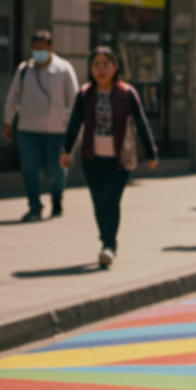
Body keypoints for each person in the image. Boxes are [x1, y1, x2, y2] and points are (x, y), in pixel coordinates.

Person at [59, 47, 159, 268]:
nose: (101, 68)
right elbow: (75, 124)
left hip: (119, 160)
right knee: (98, 203)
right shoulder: (85, 94)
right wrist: (66, 151)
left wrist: (151, 152)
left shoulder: (127, 93)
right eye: (96, 64)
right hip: (91, 158)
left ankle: (109, 246)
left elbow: (142, 123)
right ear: (90, 68)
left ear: (115, 67)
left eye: (106, 64)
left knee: (110, 201)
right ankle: (106, 241)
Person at [2, 28, 79, 222]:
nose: (38, 52)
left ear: (51, 48)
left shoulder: (63, 69)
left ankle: (56, 199)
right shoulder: (24, 70)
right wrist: (7, 121)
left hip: (56, 130)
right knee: (30, 170)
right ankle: (34, 207)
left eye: (42, 47)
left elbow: (75, 100)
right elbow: (13, 97)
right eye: (35, 48)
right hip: (28, 130)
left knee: (56, 170)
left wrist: (73, 127)